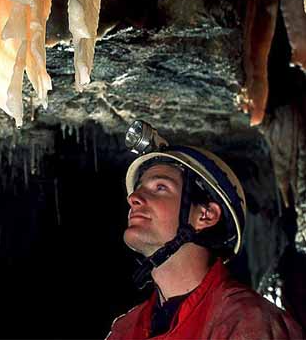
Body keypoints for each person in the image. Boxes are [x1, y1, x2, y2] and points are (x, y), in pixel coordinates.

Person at [106, 121, 304, 339]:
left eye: (160, 187)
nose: (133, 198)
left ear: (206, 215)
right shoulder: (124, 329)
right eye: (138, 189)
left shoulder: (248, 322)